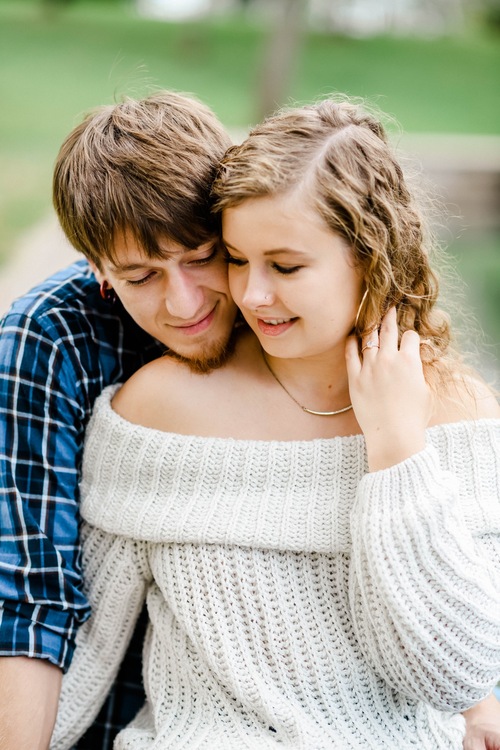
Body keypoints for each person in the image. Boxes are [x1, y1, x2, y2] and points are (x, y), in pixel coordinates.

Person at [48, 96, 500, 749]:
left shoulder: (464, 416)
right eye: (235, 258)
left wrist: (398, 452)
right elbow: (80, 656)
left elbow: (454, 680)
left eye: (284, 266)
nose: (251, 294)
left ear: (372, 256)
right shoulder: (155, 411)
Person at [0, 90, 237, 750]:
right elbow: (30, 590)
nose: (184, 301)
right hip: (104, 714)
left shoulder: (285, 306)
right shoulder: (47, 339)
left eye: (200, 256)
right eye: (141, 276)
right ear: (99, 269)